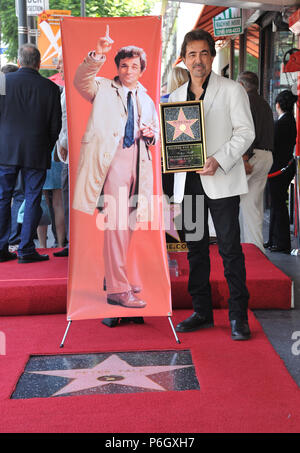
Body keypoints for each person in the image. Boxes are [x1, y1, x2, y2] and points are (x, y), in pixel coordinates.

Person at [170, 29, 255, 340]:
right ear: (185, 58)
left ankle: (237, 317)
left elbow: (246, 133)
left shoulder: (232, 90)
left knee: (231, 249)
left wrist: (220, 158)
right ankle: (202, 311)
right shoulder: (176, 97)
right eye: (192, 54)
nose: (198, 60)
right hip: (188, 185)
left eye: (204, 53)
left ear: (212, 56)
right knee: (195, 249)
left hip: (222, 182)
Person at [72, 31, 159, 324]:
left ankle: (115, 277)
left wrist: (152, 135)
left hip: (139, 161)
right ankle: (118, 289)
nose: (129, 71)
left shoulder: (147, 98)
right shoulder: (102, 87)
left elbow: (155, 132)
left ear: (141, 69)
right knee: (116, 225)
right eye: (124, 66)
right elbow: (80, 81)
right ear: (117, 67)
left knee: (129, 224)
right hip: (113, 163)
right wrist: (97, 54)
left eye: (134, 66)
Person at [0, 43, 62, 263]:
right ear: (38, 63)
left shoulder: (3, 82)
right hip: (36, 151)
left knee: (2, 197)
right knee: (32, 197)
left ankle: (1, 247)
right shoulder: (51, 88)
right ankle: (26, 249)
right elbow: (56, 126)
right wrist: (46, 146)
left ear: (19, 62)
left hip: (5, 150)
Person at [237, 71, 274, 253]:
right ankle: (255, 249)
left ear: (242, 86)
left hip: (252, 156)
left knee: (233, 201)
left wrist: (244, 157)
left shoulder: (247, 101)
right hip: (266, 155)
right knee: (252, 204)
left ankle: (241, 248)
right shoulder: (264, 103)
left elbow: (248, 131)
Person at [264, 90, 297, 253]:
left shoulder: (281, 123)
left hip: (278, 168)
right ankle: (273, 240)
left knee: (278, 206)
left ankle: (281, 241)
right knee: (277, 205)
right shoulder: (291, 121)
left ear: (278, 105)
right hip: (285, 167)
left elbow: (272, 145)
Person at [53, 54, 69, 258]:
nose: (57, 66)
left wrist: (63, 144)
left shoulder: (72, 88)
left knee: (69, 197)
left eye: (60, 61)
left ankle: (73, 244)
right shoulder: (66, 88)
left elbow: (68, 120)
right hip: (67, 153)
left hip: (72, 154)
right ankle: (71, 243)